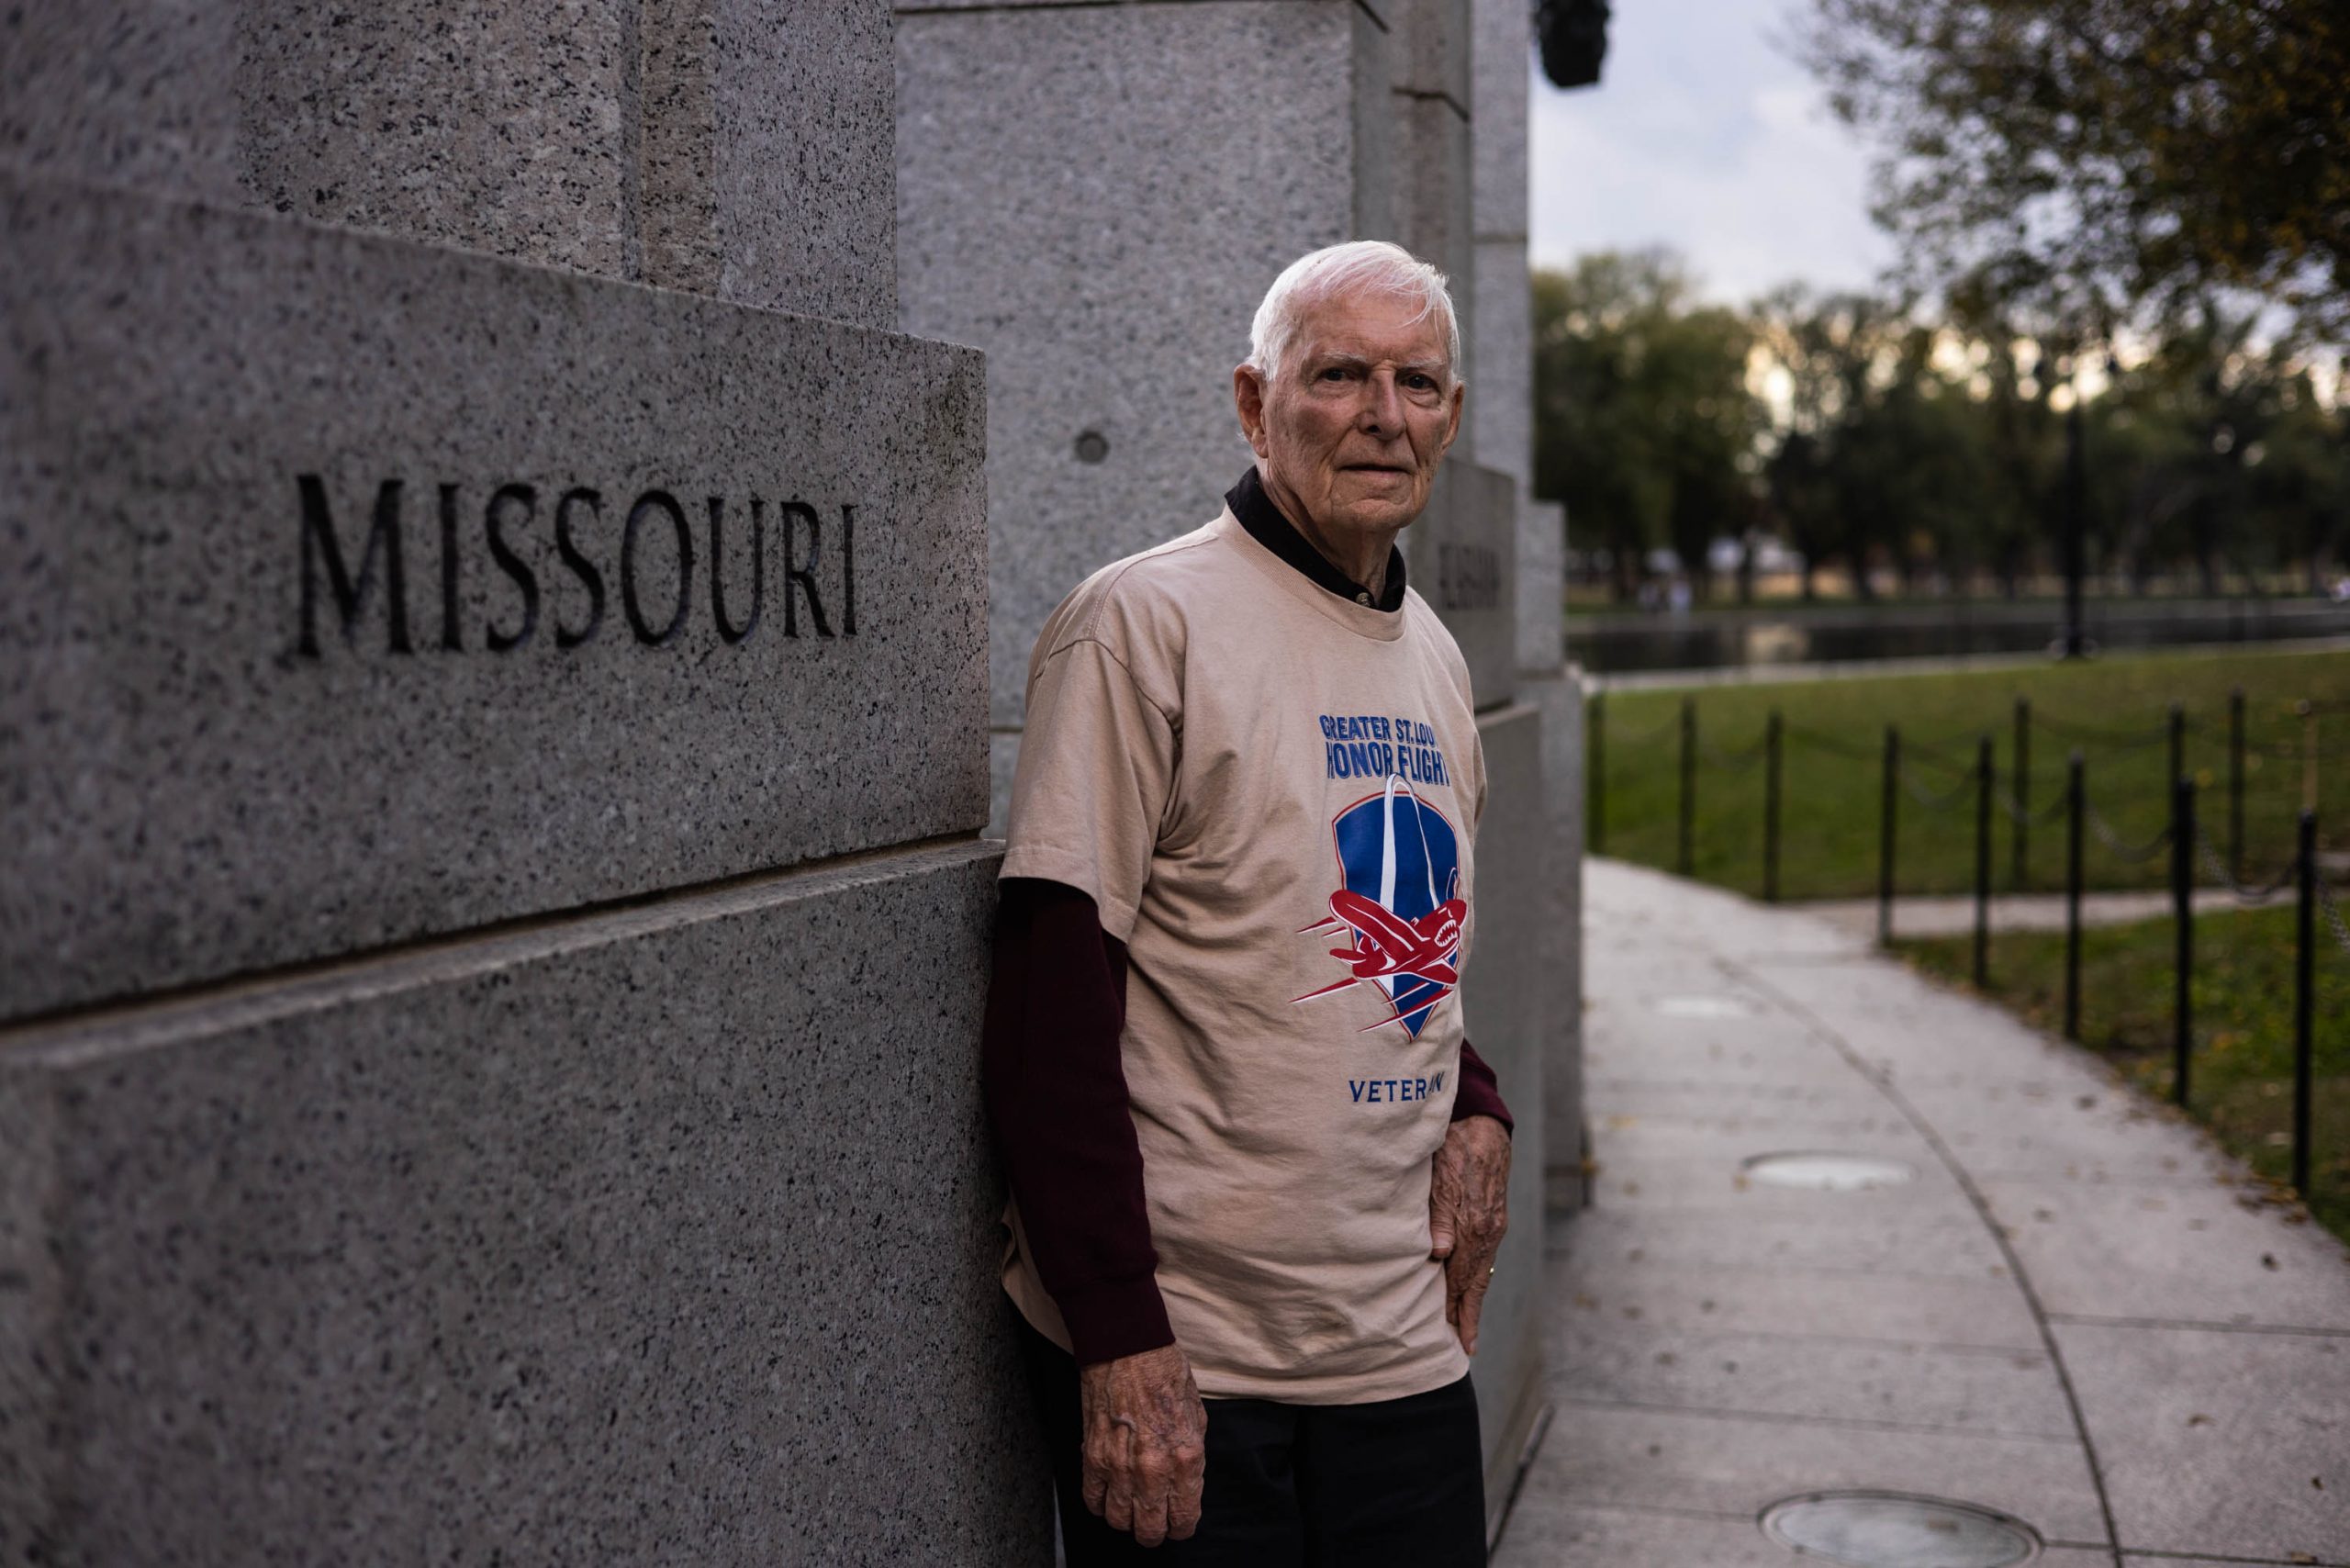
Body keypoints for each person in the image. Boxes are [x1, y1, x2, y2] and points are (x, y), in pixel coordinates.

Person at [982, 241, 1514, 1565]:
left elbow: (1384, 948)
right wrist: (1119, 1335)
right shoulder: (1142, 625)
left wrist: (1480, 1100)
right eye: (1339, 375)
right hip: (1193, 1368)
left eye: (1420, 382)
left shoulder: (1436, 657)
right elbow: (1049, 1009)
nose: (1386, 416)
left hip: (1399, 1349)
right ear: (1252, 402)